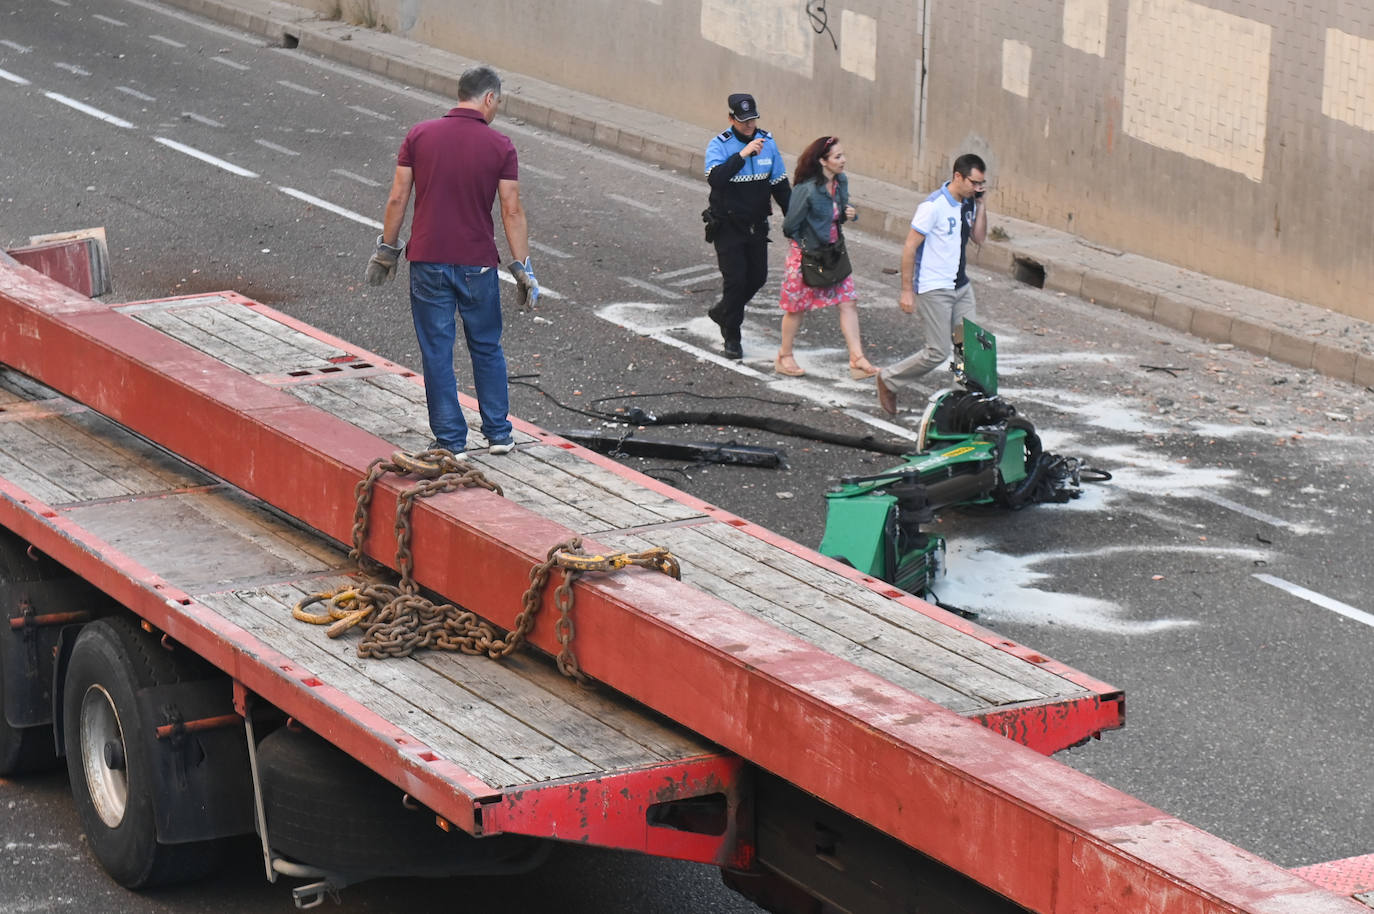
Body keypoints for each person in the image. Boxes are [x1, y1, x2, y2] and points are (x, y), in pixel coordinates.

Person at [365, 65, 539, 457]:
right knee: (486, 346)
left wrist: (387, 250)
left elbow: (398, 196)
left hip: (428, 260)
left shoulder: (419, 135)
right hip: (478, 263)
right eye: (498, 103)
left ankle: (450, 440)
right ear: (489, 98)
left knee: (437, 350)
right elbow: (511, 209)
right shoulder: (500, 146)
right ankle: (499, 434)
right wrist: (522, 267)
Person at [875, 153, 988, 415]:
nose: (977, 188)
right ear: (958, 176)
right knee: (938, 351)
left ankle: (960, 403)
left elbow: (979, 238)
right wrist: (906, 290)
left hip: (961, 286)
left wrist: (981, 205)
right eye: (973, 182)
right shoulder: (933, 205)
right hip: (934, 287)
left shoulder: (969, 203)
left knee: (968, 348)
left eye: (981, 184)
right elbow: (909, 247)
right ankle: (888, 379)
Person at [775, 136, 874, 379]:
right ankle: (784, 356)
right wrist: (808, 244)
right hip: (806, 256)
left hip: (833, 253)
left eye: (843, 155)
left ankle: (857, 358)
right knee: (796, 308)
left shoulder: (840, 181)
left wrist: (851, 214)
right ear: (822, 161)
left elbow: (841, 212)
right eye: (838, 157)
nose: (843, 160)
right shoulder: (806, 189)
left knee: (848, 301)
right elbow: (789, 226)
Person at [704, 93, 791, 360]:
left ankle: (723, 311)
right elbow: (716, 179)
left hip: (756, 225)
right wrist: (742, 155)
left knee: (757, 278)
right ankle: (732, 336)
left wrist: (794, 221)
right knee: (735, 281)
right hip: (727, 226)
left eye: (753, 119)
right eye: (743, 121)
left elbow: (780, 186)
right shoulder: (719, 145)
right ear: (731, 119)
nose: (750, 125)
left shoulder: (768, 143)